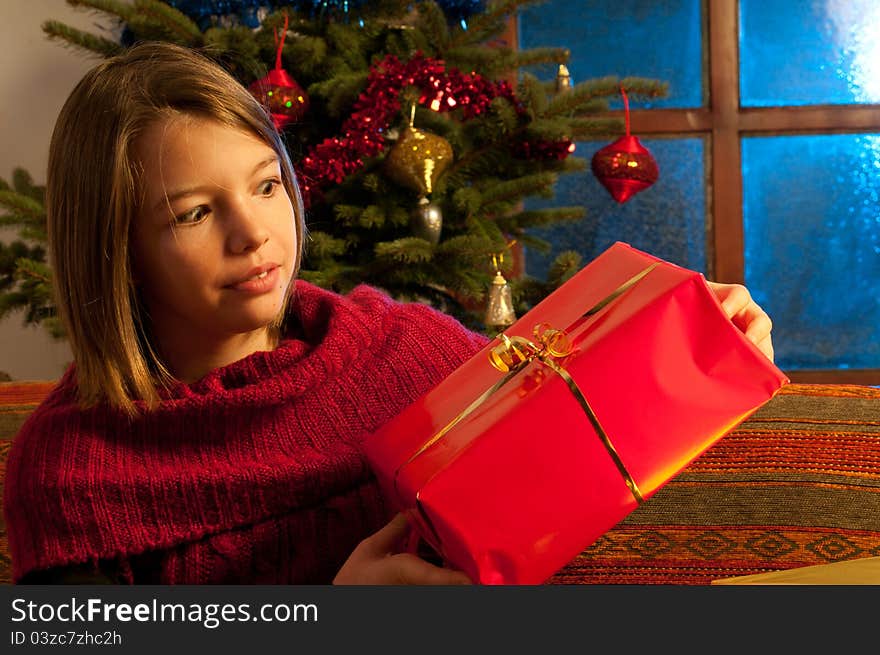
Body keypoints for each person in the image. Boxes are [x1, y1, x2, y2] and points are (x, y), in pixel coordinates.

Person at [2, 42, 774, 585]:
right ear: (116, 248)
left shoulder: (403, 351)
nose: (255, 235)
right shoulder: (69, 474)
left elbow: (584, 435)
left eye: (267, 186)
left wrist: (710, 338)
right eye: (196, 214)